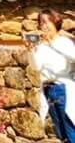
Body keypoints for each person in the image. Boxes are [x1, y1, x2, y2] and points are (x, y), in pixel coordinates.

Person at [31, 10, 75, 142]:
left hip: (63, 88)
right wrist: (30, 51)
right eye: (41, 22)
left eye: (46, 22)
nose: (43, 26)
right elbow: (36, 67)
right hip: (48, 90)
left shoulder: (64, 42)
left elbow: (73, 57)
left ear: (55, 22)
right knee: (61, 132)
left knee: (70, 127)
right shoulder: (41, 46)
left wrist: (52, 43)